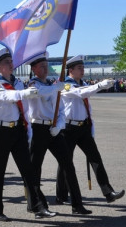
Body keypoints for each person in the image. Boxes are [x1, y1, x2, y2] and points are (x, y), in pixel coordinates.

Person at [0, 47, 56, 221]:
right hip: (0, 131)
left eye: (12, 62)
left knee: (29, 171)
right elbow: (9, 97)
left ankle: (38, 206)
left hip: (18, 130)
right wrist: (24, 93)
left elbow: (24, 108)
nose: (11, 65)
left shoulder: (18, 83)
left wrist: (28, 130)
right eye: (7, 63)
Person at [24, 52, 91, 215]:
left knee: (68, 165)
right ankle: (37, 205)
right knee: (35, 169)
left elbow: (61, 110)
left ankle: (77, 205)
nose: (45, 69)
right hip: (39, 129)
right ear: (34, 69)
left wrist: (59, 125)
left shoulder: (53, 85)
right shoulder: (34, 84)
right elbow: (41, 93)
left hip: (53, 130)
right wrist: (55, 87)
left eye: (46, 65)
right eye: (41, 66)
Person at [57, 55, 123, 205]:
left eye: (83, 67)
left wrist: (90, 126)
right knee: (65, 163)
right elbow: (81, 93)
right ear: (71, 70)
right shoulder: (66, 85)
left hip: (83, 128)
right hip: (68, 128)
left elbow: (87, 104)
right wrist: (99, 85)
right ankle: (61, 195)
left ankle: (108, 192)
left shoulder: (84, 83)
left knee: (96, 159)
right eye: (79, 68)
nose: (83, 70)